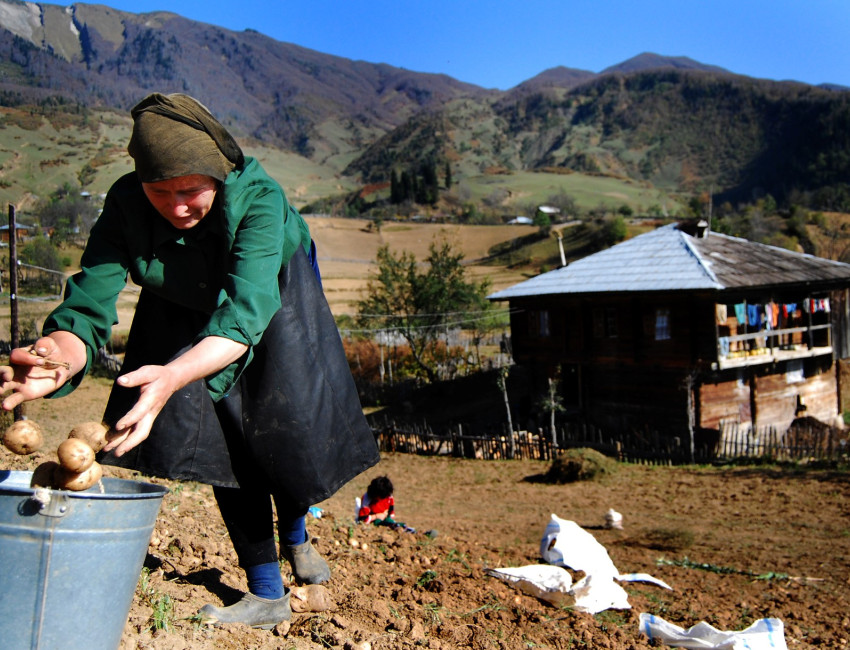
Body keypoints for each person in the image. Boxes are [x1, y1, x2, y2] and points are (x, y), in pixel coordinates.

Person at [0, 93, 380, 630]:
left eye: (191, 191)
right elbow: (89, 302)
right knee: (224, 439)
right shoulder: (127, 205)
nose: (177, 207)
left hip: (273, 290)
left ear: (219, 174)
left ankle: (296, 536)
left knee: (283, 425)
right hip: (181, 295)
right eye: (161, 191)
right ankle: (266, 593)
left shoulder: (258, 200)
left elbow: (246, 312)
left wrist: (176, 373)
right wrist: (60, 353)